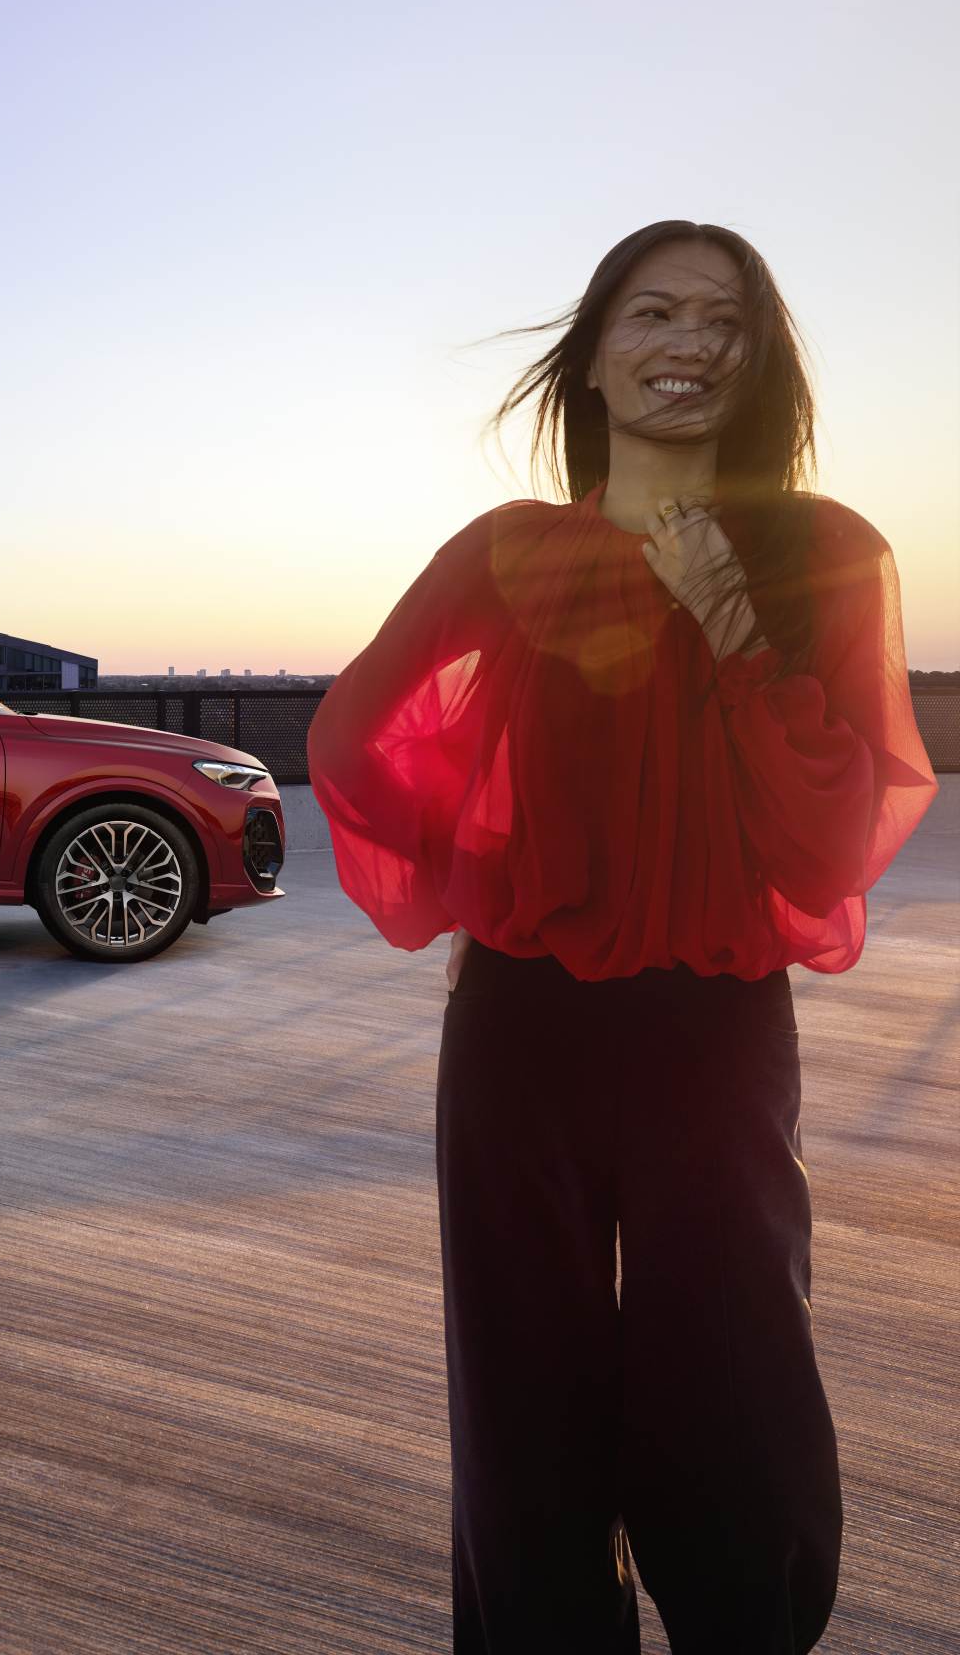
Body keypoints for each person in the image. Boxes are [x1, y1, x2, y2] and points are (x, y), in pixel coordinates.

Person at [305, 220, 937, 1652]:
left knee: (733, 1374)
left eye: (727, 322)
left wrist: (735, 629)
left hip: (713, 1032)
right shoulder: (513, 552)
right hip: (520, 1025)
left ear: (761, 361)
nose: (691, 345)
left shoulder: (827, 555)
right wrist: (484, 885)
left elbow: (835, 836)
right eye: (654, 314)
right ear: (593, 355)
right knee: (523, 1387)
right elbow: (352, 738)